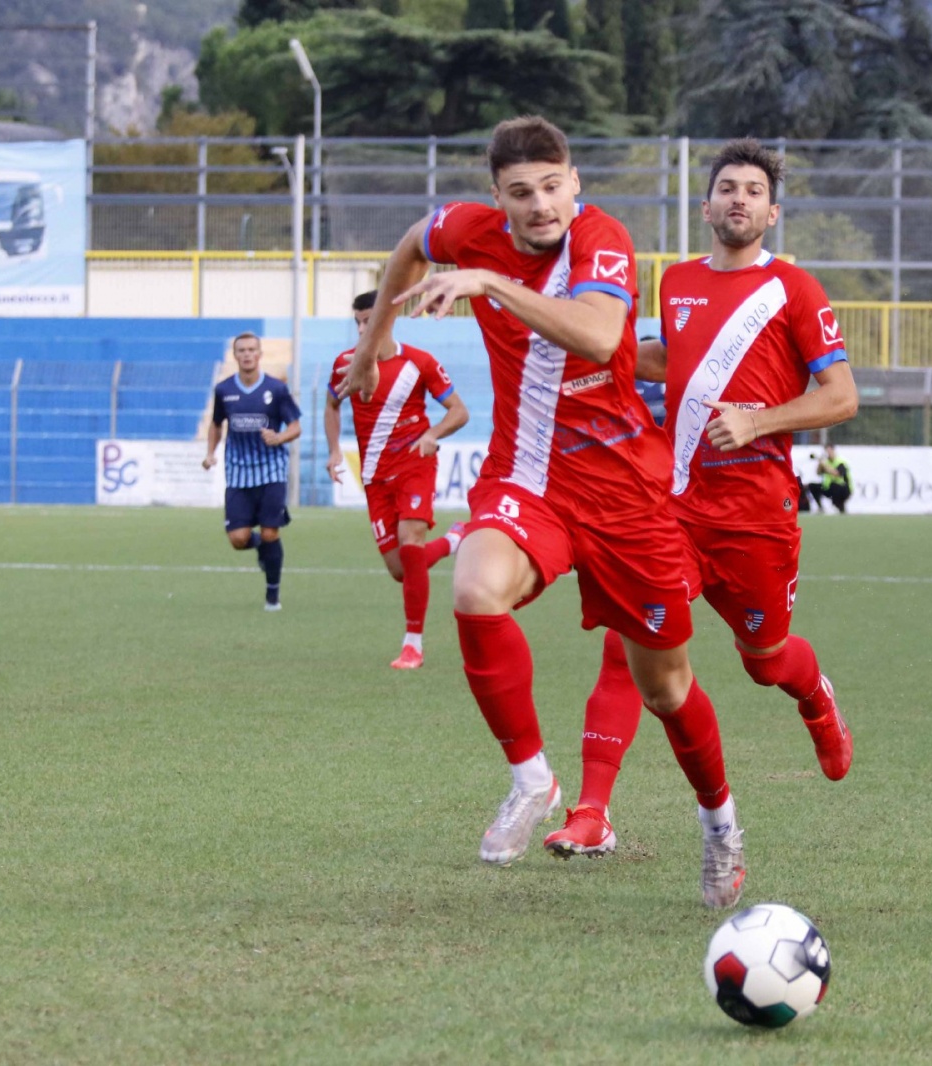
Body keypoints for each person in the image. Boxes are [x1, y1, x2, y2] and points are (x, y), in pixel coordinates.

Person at [339, 116, 746, 907]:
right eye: (520, 192)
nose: (540, 205)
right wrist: (371, 342)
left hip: (626, 495)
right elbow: (412, 243)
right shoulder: (470, 229)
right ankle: (532, 779)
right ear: (496, 197)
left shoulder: (601, 239)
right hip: (528, 478)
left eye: (552, 186)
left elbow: (597, 336)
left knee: (665, 689)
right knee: (473, 589)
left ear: (575, 182)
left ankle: (720, 822)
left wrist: (490, 284)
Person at [546, 138, 859, 863]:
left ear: (772, 213)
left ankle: (817, 699)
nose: (739, 198)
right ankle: (591, 813)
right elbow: (672, 357)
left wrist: (758, 420)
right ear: (706, 205)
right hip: (672, 505)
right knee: (626, 647)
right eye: (727, 188)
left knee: (765, 660)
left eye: (754, 190)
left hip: (756, 516)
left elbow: (842, 396)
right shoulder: (678, 281)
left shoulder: (795, 290)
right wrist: (599, 348)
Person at [325, 290, 470, 669]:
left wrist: (433, 434)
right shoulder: (346, 364)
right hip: (374, 476)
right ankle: (454, 540)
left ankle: (413, 645)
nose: (362, 329)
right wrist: (334, 450)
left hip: (414, 465)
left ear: (387, 319)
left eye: (368, 321)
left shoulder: (420, 362)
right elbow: (332, 404)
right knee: (401, 569)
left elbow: (459, 411)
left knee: (411, 541)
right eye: (357, 322)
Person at [204, 332, 302, 611]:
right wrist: (210, 453)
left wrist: (279, 438)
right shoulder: (224, 390)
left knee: (271, 533)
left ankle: (272, 596)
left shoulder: (276, 389)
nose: (247, 354)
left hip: (272, 471)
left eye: (251, 350)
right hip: (238, 473)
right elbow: (216, 424)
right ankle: (262, 548)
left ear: (259, 354)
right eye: (242, 350)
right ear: (235, 355)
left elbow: (295, 427)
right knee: (238, 539)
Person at [807, 444, 852, 513]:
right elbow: (818, 473)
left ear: (833, 451)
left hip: (844, 488)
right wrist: (820, 464)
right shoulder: (826, 461)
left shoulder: (840, 462)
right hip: (829, 487)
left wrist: (824, 465)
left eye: (829, 451)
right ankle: (820, 507)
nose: (828, 453)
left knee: (834, 486)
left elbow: (836, 474)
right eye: (827, 451)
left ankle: (837, 506)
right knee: (812, 486)